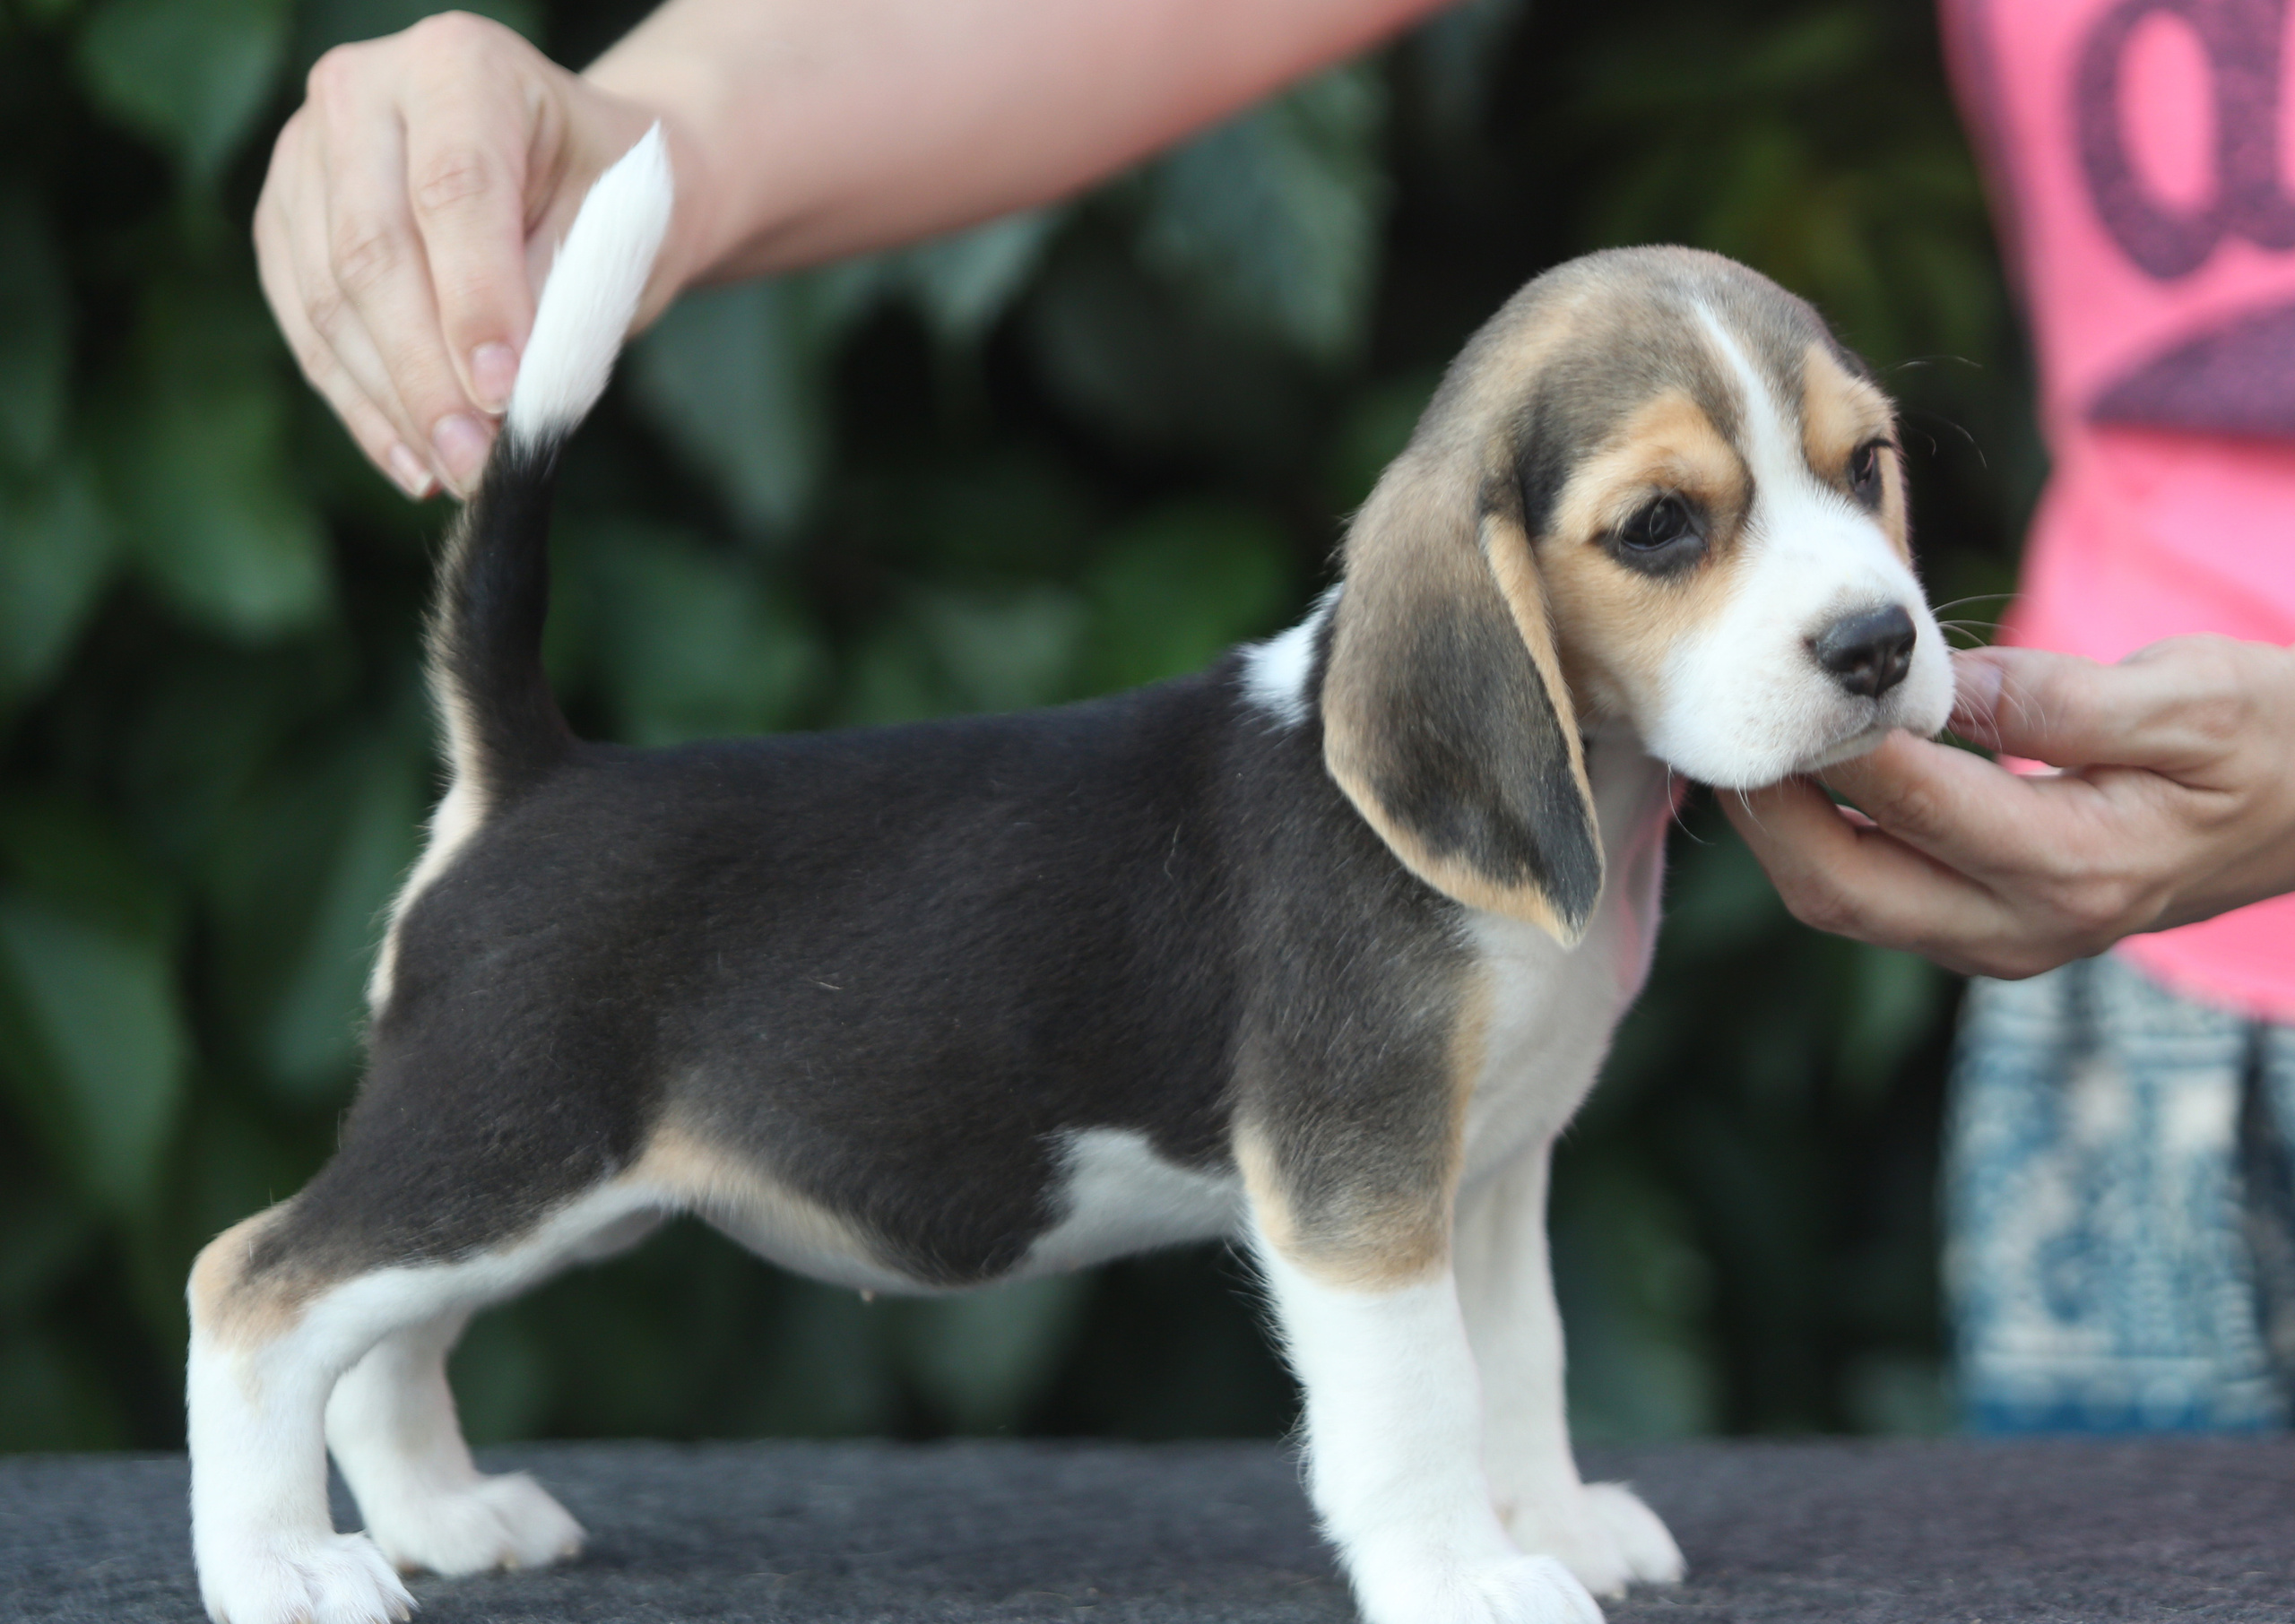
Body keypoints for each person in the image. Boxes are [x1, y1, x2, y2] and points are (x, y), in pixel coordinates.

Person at [253, 0, 2295, 1426]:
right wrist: (651, 143)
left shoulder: (1552, 847)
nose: (1855, 598)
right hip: (2160, 1037)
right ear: (1477, 593)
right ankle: (273, 1354)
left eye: (1856, 471)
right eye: (1670, 523)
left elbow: (1459, 1169)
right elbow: (1358, 1195)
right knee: (457, 1193)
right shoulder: (1423, 771)